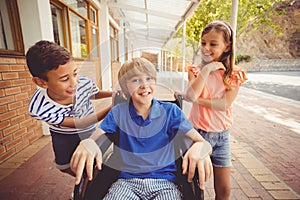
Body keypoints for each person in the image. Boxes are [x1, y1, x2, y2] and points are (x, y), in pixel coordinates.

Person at [70, 57, 213, 199]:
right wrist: (87, 142)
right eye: (136, 80)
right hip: (126, 182)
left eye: (149, 78)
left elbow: (203, 142)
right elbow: (97, 136)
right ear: (126, 86)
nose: (144, 85)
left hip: (164, 182)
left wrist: (199, 147)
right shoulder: (119, 112)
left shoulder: (171, 111)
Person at [175, 20, 248, 200]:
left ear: (227, 46)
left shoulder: (234, 74)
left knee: (223, 189)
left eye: (213, 44)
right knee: (193, 184)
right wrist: (207, 69)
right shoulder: (195, 71)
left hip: (222, 137)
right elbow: (192, 96)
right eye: (203, 43)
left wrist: (192, 98)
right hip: (197, 135)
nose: (206, 48)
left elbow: (224, 105)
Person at [26, 40, 113, 176]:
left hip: (89, 131)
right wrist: (112, 108)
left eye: (75, 73)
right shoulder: (40, 107)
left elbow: (93, 93)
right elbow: (80, 123)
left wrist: (113, 94)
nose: (74, 83)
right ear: (41, 82)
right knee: (64, 165)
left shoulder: (82, 82)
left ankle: (85, 187)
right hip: (64, 137)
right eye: (64, 79)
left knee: (92, 165)